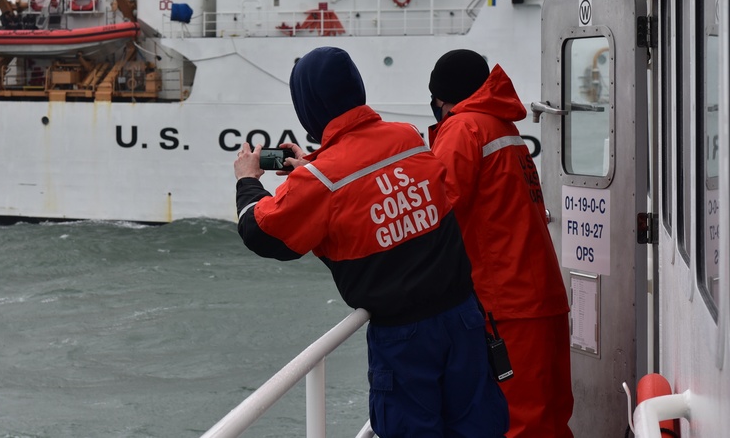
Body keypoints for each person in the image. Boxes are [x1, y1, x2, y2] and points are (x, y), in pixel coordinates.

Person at [234, 46, 508, 438]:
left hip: (404, 336)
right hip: (463, 316)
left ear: (308, 106)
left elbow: (262, 233)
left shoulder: (320, 180)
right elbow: (365, 176)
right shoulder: (408, 137)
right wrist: (313, 165)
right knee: (480, 426)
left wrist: (248, 180)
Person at [428, 49, 573, 438]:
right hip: (541, 297)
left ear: (442, 98)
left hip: (509, 304)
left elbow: (439, 208)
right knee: (550, 418)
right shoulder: (503, 128)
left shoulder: (463, 129)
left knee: (519, 423)